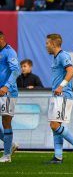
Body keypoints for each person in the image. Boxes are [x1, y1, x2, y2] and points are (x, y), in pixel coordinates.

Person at [45, 34, 73, 164]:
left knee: (54, 125)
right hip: (57, 95)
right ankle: (58, 157)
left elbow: (71, 71)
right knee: (55, 125)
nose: (46, 46)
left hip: (63, 94)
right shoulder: (56, 57)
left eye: (47, 43)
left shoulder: (63, 55)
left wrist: (61, 87)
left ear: (54, 44)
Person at [0, 31, 20, 163]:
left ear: (1, 38)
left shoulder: (10, 52)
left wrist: (6, 86)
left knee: (6, 121)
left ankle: (7, 155)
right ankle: (11, 144)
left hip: (8, 92)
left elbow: (16, 70)